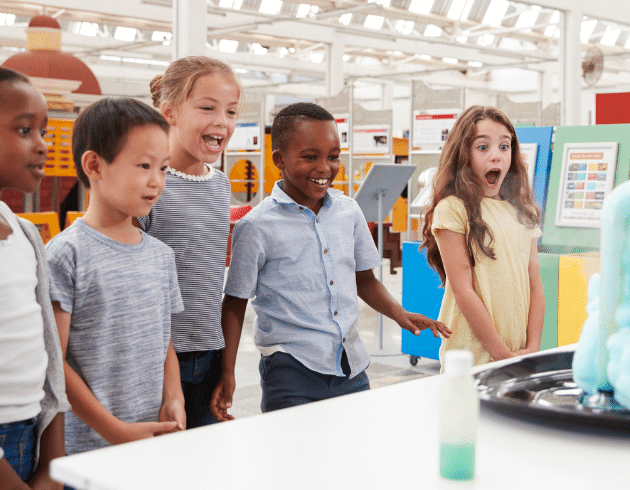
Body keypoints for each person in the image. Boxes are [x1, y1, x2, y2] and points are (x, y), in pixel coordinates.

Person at [217, 102, 450, 415]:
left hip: (350, 366)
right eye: (310, 157)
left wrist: (399, 313)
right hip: (289, 370)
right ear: (280, 160)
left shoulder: (348, 212)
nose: (325, 167)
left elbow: (364, 280)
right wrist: (227, 372)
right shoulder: (256, 226)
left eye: (333, 156)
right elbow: (234, 303)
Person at [46, 98, 185, 455]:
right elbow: (53, 361)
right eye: (143, 165)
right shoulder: (67, 254)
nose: (156, 181)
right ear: (94, 165)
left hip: (152, 436)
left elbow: (163, 340)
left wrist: (174, 398)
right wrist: (115, 430)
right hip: (90, 447)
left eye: (164, 168)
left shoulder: (160, 255)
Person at [142, 56, 242, 428]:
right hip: (156, 357)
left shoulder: (220, 185)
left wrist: (226, 366)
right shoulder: (151, 184)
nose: (222, 122)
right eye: (207, 108)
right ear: (169, 112)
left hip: (209, 352)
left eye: (230, 112)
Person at [420, 105, 544, 368]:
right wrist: (502, 356)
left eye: (504, 146)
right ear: (462, 153)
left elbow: (535, 285)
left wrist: (533, 347)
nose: (496, 157)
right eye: (482, 147)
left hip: (518, 354)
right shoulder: (453, 209)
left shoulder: (522, 212)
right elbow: (464, 291)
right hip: (471, 358)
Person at [0, 67, 70, 490]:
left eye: (43, 131)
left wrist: (53, 463)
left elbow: (48, 349)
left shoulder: (25, 233)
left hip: (33, 433)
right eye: (25, 130)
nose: (42, 146)